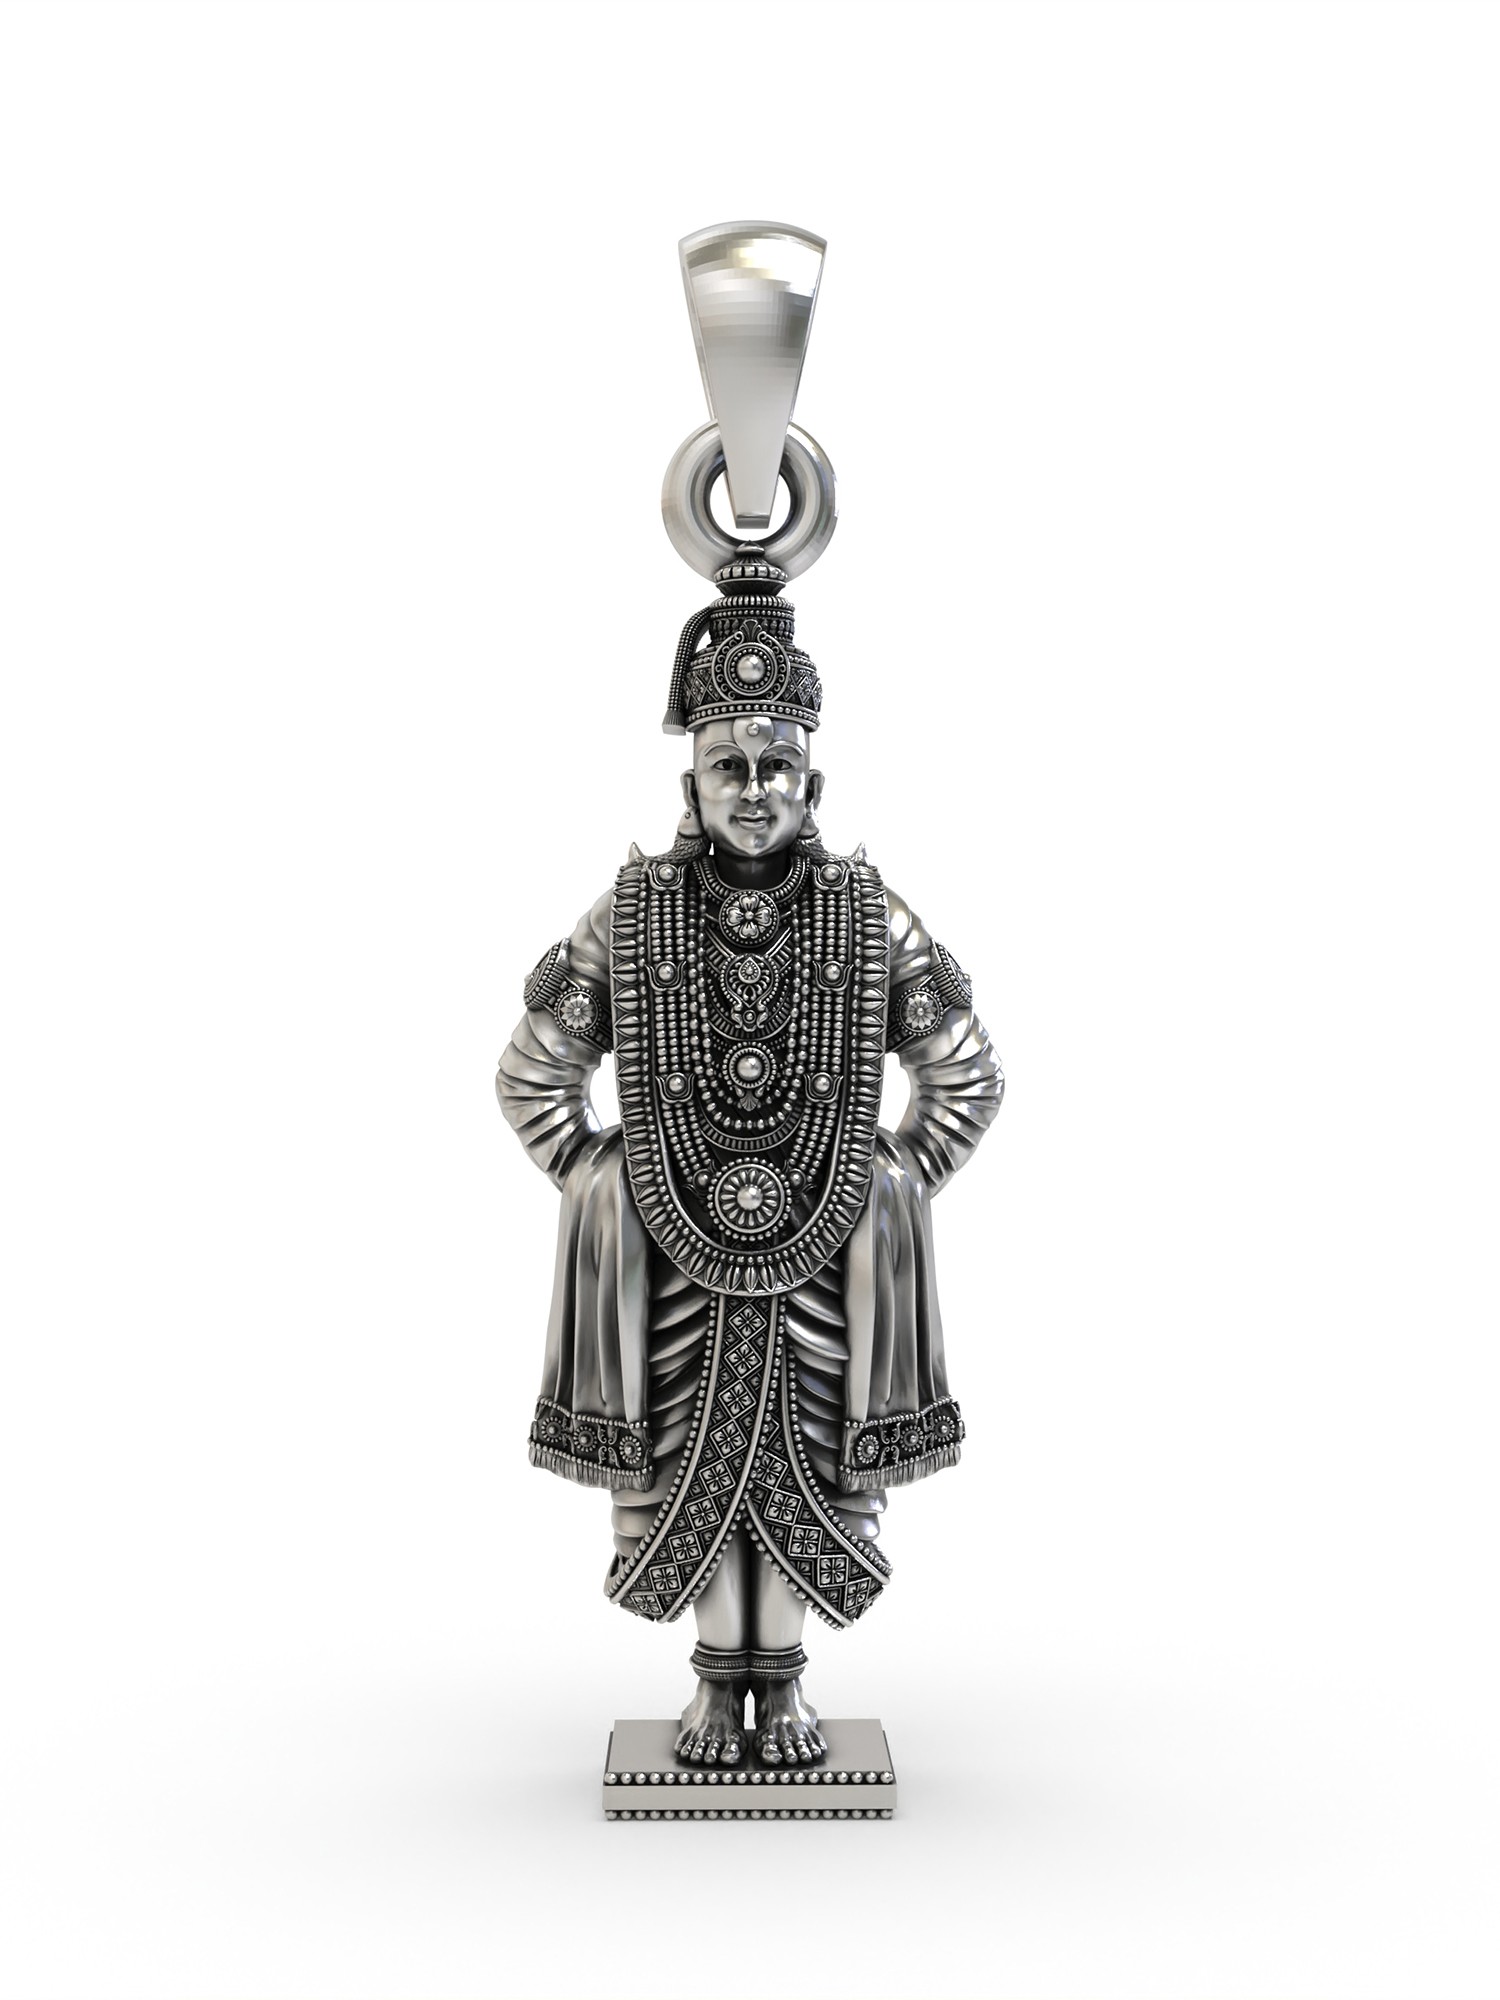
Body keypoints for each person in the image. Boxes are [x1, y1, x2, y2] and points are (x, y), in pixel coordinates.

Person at [496, 552, 1003, 1766]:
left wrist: (881, 1193)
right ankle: (719, 1687)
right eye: (731, 766)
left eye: (778, 766)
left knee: (816, 1471)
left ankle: (783, 1683)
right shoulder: (630, 913)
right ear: (692, 780)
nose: (757, 789)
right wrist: (614, 1190)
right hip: (667, 1258)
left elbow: (968, 1075)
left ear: (815, 778)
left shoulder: (870, 915)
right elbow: (530, 1074)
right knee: (680, 1473)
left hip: (829, 1260)